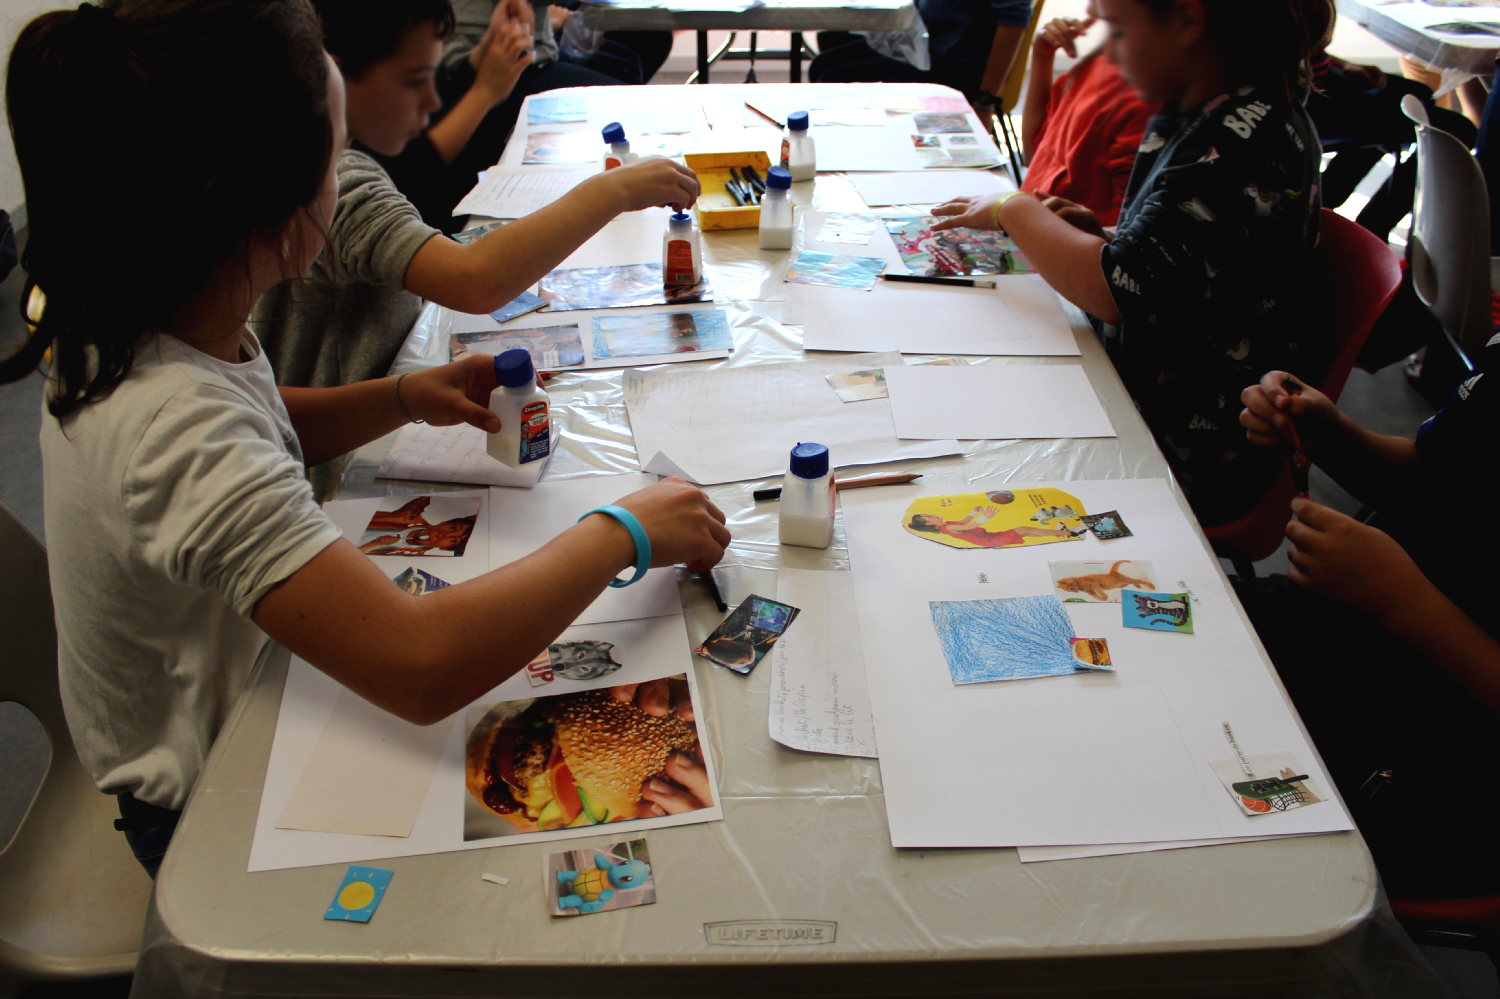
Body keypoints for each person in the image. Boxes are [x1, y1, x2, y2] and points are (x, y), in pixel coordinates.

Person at [2, 0, 730, 879]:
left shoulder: (146, 308)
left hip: (257, 686)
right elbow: (422, 666)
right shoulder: (172, 426)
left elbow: (261, 422)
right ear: (270, 208)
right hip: (207, 803)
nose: (347, 178)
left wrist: (398, 396)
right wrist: (626, 529)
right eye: (333, 158)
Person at [255, 0, 700, 492]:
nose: (431, 102)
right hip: (337, 476)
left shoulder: (333, 166)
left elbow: (259, 409)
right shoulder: (335, 182)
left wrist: (405, 396)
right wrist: (615, 190)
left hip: (367, 424)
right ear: (331, 75)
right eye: (414, 79)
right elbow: (476, 279)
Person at [931, 0, 1333, 527]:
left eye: (1119, 32)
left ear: (1188, 20)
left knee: (957, 438)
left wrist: (1016, 210)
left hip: (1186, 444)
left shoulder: (1237, 142)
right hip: (1143, 390)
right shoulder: (1219, 106)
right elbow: (1187, 255)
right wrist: (1104, 236)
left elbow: (1116, 292)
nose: (1111, 56)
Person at [1235, 356, 1499, 896]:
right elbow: (1437, 475)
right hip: (1346, 634)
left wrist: (1404, 602)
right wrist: (1332, 435)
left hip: (1435, 762)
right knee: (1120, 630)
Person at [1306, 51, 1476, 243]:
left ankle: (1328, 197)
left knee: (1419, 94)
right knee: (1458, 129)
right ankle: (1372, 225)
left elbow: (1313, 45)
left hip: (1321, 79)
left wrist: (1344, 65)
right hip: (1304, 98)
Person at [1019, 16, 1157, 227]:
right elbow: (1033, 153)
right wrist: (1042, 55)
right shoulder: (1097, 64)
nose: (1092, 8)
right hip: (1031, 227)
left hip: (1059, 246)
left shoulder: (1144, 99)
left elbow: (1122, 235)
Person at [810, 0, 1034, 98]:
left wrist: (985, 99)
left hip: (955, 63)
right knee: (822, 64)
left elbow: (1014, 21)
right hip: (925, 46)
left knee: (831, 78)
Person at [908, 506, 1073, 547]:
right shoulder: (947, 528)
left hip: (990, 537)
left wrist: (974, 511)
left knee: (1026, 532)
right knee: (1025, 529)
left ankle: (1060, 533)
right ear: (929, 523)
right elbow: (970, 526)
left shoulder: (947, 524)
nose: (933, 515)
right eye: (929, 516)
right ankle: (1064, 532)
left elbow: (965, 522)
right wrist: (985, 517)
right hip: (991, 540)